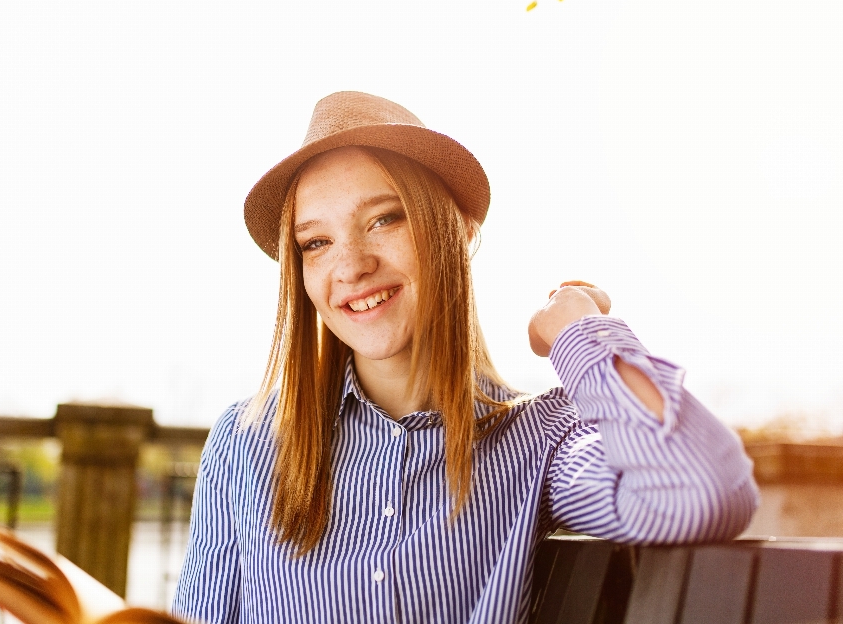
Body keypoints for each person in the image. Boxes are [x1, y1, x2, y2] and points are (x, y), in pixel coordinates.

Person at [172, 91, 758, 623]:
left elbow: (702, 490)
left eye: (384, 218)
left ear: (457, 233)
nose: (350, 266)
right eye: (316, 242)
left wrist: (582, 333)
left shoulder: (538, 442)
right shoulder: (247, 443)